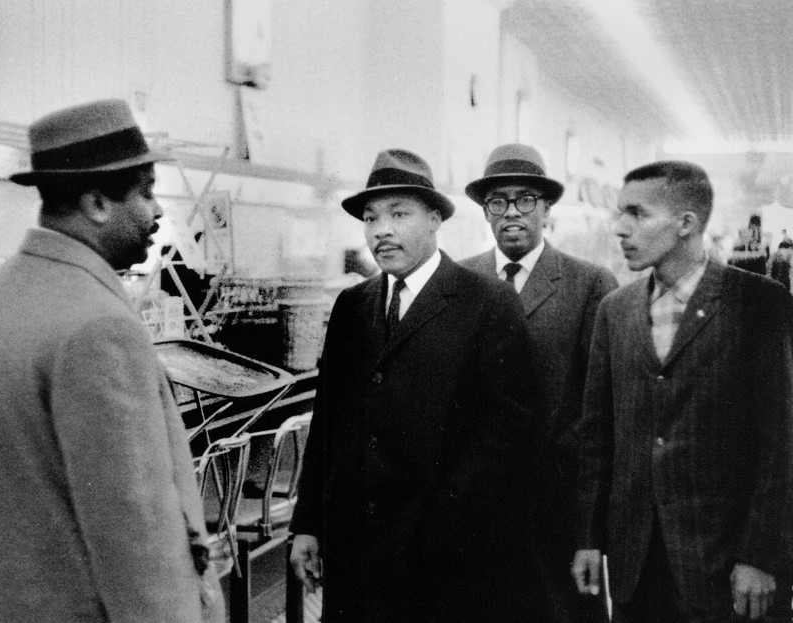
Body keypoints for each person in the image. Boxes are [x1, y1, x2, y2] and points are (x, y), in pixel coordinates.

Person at [0, 100, 224, 623]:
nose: (158, 212)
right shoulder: (100, 327)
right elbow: (138, 542)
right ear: (96, 202)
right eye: (146, 192)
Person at [289, 148, 547, 622]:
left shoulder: (485, 302)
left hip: (444, 558)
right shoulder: (352, 307)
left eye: (398, 213)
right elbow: (327, 424)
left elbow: (508, 436)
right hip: (356, 556)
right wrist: (306, 525)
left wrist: (441, 519)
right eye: (370, 218)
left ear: (434, 219)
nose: (380, 230)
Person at [572, 160, 793, 623]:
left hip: (727, 563)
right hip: (637, 564)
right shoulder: (615, 311)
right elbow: (596, 438)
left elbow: (781, 441)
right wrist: (589, 538)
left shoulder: (759, 303)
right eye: (619, 213)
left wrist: (761, 554)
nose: (620, 228)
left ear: (686, 223)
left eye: (637, 213)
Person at [462, 143, 617, 623]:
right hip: (478, 506)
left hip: (558, 509)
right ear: (485, 212)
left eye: (525, 199)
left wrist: (589, 528)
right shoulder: (459, 282)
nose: (512, 212)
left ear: (547, 208)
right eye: (498, 201)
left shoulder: (589, 284)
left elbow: (601, 408)